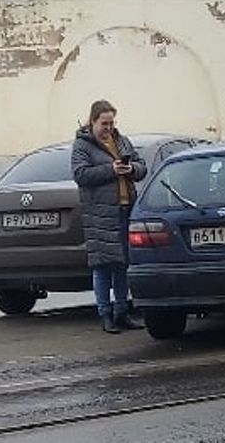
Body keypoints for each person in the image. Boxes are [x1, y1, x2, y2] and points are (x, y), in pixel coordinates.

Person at [71, 100, 147, 334]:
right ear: (93, 121)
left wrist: (130, 169)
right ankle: (105, 314)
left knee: (123, 264)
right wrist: (110, 170)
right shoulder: (83, 145)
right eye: (104, 123)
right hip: (100, 214)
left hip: (125, 209)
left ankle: (122, 312)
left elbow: (141, 166)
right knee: (103, 265)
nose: (108, 127)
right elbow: (80, 174)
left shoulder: (121, 140)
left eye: (112, 122)